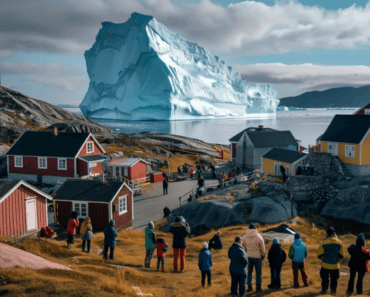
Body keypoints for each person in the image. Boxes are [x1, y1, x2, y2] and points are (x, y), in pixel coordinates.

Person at [317, 227, 344, 295]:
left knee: (325, 279)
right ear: (334, 233)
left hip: (325, 265)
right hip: (335, 265)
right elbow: (342, 255)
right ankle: (333, 292)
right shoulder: (339, 242)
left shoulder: (323, 242)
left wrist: (323, 258)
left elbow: (319, 255)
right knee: (334, 280)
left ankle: (324, 290)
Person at [242, 223, 266, 293]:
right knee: (258, 273)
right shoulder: (259, 237)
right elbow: (263, 248)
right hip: (258, 257)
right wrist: (263, 255)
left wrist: (245, 251)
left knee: (249, 272)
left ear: (249, 228)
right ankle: (258, 287)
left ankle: (249, 286)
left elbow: (242, 245)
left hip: (248, 256)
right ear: (255, 229)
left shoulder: (245, 236)